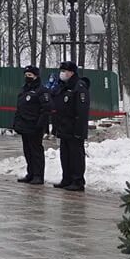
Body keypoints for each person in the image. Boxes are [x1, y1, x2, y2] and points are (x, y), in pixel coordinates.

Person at [49, 62, 90, 190]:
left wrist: (79, 130)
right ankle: (66, 179)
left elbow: (82, 111)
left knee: (76, 156)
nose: (62, 73)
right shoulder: (64, 86)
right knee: (65, 156)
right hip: (64, 127)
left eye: (64, 71)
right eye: (61, 70)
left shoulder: (79, 87)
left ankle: (77, 181)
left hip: (74, 129)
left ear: (71, 72)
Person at [13, 66, 48, 183]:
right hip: (24, 125)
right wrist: (16, 123)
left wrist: (40, 124)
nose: (27, 77)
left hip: (35, 126)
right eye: (26, 75)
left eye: (30, 75)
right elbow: (20, 107)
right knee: (27, 151)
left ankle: (38, 175)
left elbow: (46, 108)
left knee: (36, 151)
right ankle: (31, 173)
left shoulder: (41, 90)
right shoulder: (24, 89)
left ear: (36, 76)